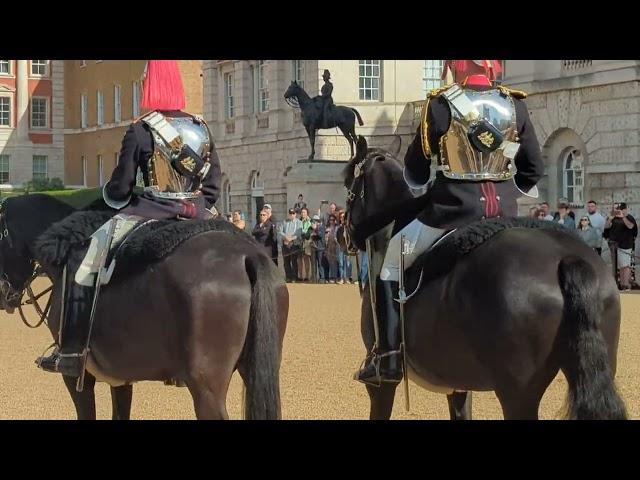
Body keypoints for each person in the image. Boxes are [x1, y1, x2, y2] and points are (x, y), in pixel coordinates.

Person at [355, 60, 544, 386]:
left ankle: (387, 357)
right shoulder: (515, 105)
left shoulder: (441, 105)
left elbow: (414, 170)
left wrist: (428, 181)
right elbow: (533, 169)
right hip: (506, 216)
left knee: (390, 265)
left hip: (452, 213)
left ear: (456, 66)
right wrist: (505, 194)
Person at [37, 60, 222, 377]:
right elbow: (214, 183)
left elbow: (121, 188)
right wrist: (195, 206)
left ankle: (72, 350)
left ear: (152, 83)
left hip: (152, 211)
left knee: (85, 264)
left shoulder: (141, 129)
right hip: (199, 213)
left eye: (146, 76)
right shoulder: (200, 127)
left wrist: (114, 193)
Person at [604, 202, 638, 291]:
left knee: (625, 266)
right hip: (614, 246)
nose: (617, 210)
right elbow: (606, 227)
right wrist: (610, 218)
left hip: (625, 245)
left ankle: (625, 285)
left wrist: (623, 217)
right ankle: (619, 284)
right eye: (615, 208)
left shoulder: (628, 217)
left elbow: (631, 227)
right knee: (617, 266)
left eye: (618, 208)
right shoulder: (611, 218)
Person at [279, 208, 303, 282]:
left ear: (295, 214)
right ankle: (288, 277)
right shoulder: (284, 222)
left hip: (294, 244)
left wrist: (291, 239)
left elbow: (299, 233)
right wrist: (286, 237)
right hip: (285, 244)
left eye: (293, 213)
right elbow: (280, 231)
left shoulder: (299, 222)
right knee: (286, 262)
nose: (291, 215)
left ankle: (294, 277)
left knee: (294, 261)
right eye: (290, 213)